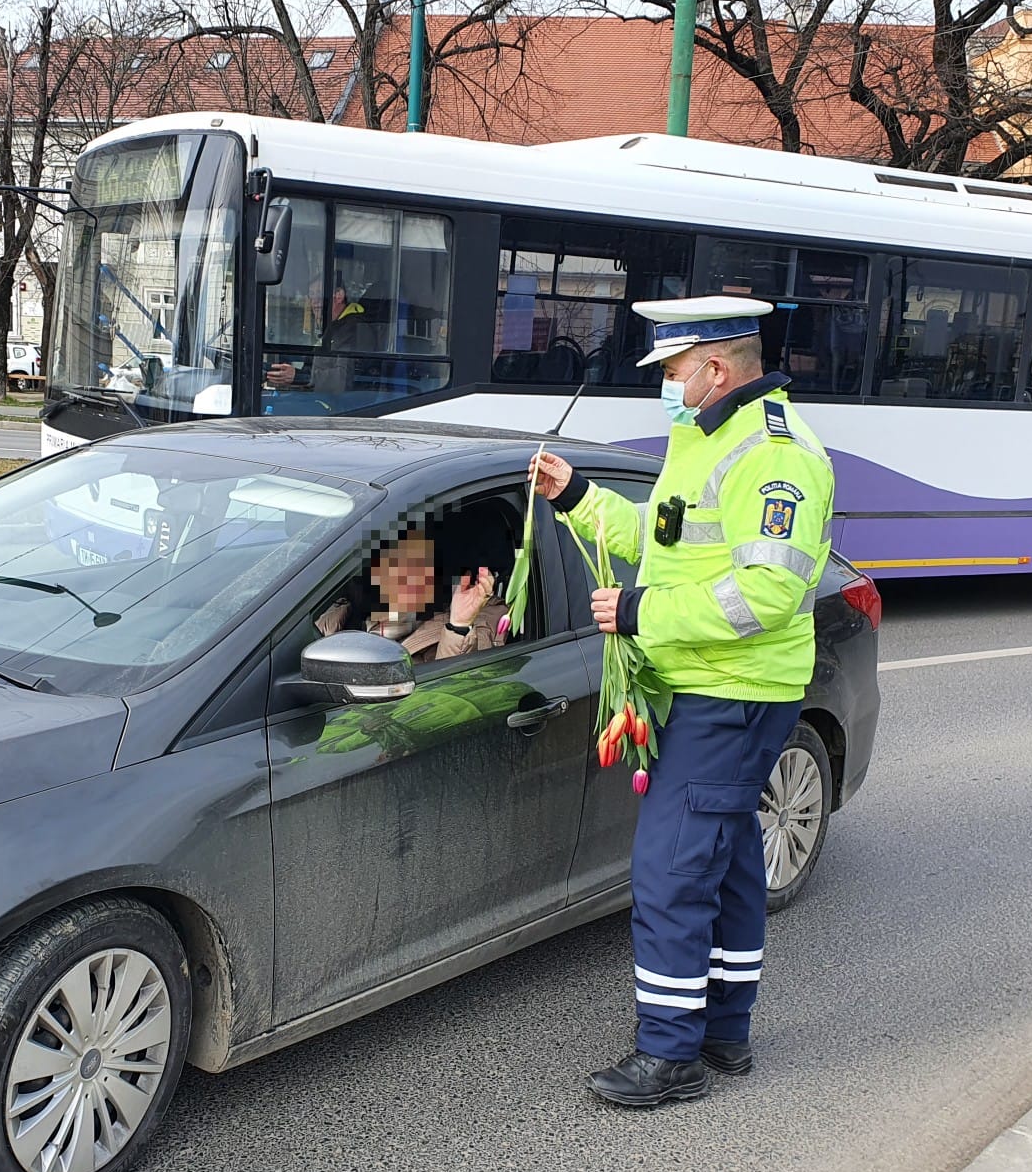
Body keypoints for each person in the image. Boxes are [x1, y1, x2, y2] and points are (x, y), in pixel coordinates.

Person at [530, 296, 834, 1108]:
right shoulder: (704, 437)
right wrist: (575, 497)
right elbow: (659, 541)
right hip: (701, 685)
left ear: (717, 368)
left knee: (670, 868)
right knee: (728, 859)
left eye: (671, 369)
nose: (665, 384)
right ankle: (724, 1033)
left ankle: (670, 1058)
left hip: (730, 693)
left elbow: (765, 593)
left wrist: (640, 615)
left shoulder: (775, 457)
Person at [316, 527, 503, 664]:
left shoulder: (450, 631)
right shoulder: (333, 616)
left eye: (422, 564)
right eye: (398, 563)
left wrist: (459, 626)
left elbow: (454, 688)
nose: (412, 575)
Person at [265, 279, 372, 399]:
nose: (314, 301)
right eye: (311, 295)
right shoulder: (332, 327)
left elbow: (343, 379)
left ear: (339, 296)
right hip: (320, 397)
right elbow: (313, 368)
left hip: (343, 406)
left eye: (319, 295)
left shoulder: (352, 328)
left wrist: (301, 377)